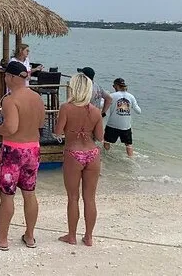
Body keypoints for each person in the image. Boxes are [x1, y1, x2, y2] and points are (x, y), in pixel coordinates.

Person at [0, 61, 45, 251]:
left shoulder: (10, 100)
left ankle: (2, 238)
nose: (4, 78)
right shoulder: (37, 97)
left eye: (5, 75)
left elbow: (10, 128)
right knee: (29, 193)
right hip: (33, 148)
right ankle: (30, 236)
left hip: (13, 151)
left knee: (7, 195)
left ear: (10, 77)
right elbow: (40, 124)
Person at [54, 73, 104, 246]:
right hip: (92, 153)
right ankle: (88, 237)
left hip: (73, 153)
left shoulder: (66, 108)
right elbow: (100, 136)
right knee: (90, 198)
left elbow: (58, 132)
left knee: (73, 197)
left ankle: (72, 235)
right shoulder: (96, 111)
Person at [104, 78, 141, 157]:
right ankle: (131, 159)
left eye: (114, 86)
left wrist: (103, 97)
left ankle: (107, 157)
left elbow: (101, 105)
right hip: (126, 126)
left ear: (116, 86)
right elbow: (138, 111)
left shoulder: (112, 96)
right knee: (128, 144)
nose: (113, 87)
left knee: (107, 141)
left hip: (112, 125)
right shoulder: (131, 96)